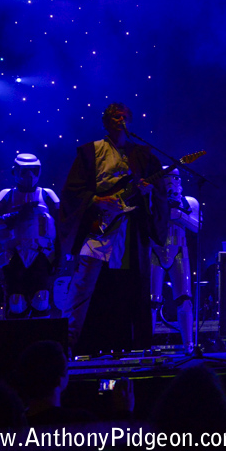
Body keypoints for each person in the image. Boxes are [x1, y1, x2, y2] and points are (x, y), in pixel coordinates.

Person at [59, 102, 169, 352]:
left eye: (124, 117)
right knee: (84, 285)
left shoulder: (142, 155)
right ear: (106, 122)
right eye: (115, 117)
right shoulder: (91, 151)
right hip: (98, 226)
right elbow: (71, 191)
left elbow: (159, 191)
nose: (120, 121)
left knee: (128, 286)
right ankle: (71, 345)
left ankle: (129, 346)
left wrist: (148, 193)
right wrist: (96, 199)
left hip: (130, 228)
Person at [0, 153, 60, 318]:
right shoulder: (6, 194)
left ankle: (43, 334)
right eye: (25, 170)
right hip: (13, 254)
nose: (30, 175)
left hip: (43, 253)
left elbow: (63, 224)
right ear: (16, 171)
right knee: (16, 303)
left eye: (34, 170)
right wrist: (16, 215)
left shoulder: (47, 194)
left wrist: (61, 256)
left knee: (41, 300)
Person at [151, 168, 200, 352]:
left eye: (175, 178)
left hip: (179, 250)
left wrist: (178, 212)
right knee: (152, 301)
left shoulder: (189, 202)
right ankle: (146, 344)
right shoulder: (150, 200)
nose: (171, 182)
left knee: (185, 299)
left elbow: (197, 226)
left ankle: (189, 345)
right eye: (167, 178)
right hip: (154, 249)